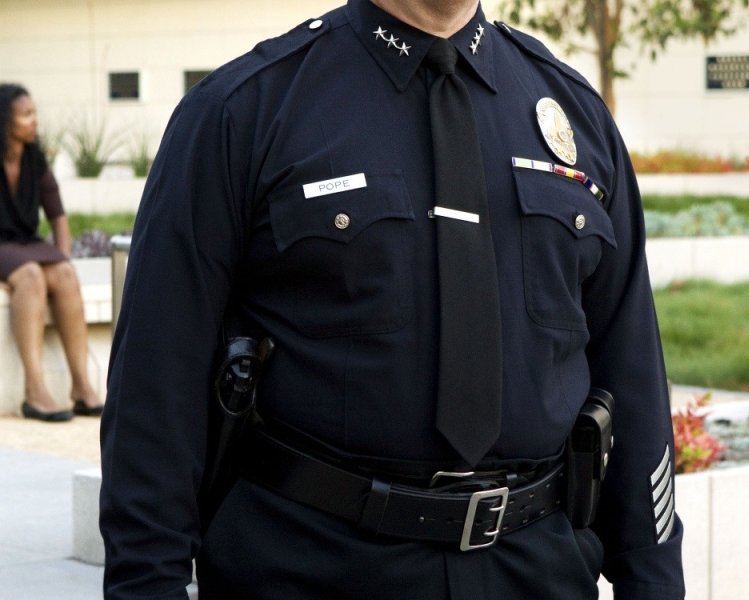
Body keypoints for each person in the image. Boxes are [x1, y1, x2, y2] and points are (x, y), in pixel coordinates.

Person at [100, 0, 685, 598]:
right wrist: (147, 582)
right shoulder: (244, 109)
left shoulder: (574, 112)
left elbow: (631, 371)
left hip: (538, 568)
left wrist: (654, 579)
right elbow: (156, 387)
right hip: (312, 567)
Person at [0, 83, 103, 422]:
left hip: (23, 243)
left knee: (64, 274)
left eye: (34, 113)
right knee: (31, 276)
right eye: (26, 115)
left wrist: (63, 256)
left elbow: (58, 216)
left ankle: (82, 387)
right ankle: (35, 391)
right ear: (5, 120)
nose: (34, 121)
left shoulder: (34, 157)